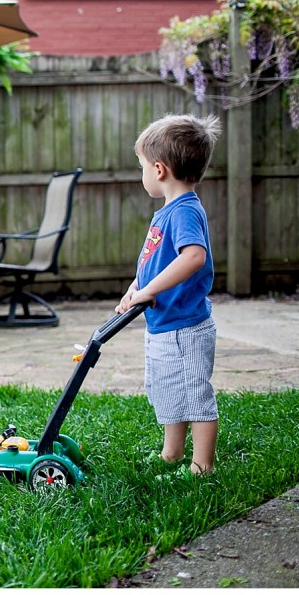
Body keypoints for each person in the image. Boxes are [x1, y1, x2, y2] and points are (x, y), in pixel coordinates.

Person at [117, 113, 221, 477]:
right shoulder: (167, 213)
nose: (142, 173)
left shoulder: (186, 211)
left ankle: (202, 465)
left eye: (142, 166)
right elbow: (154, 262)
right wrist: (136, 289)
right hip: (163, 325)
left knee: (195, 396)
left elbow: (194, 257)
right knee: (168, 392)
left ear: (159, 170)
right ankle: (172, 453)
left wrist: (146, 290)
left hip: (186, 328)